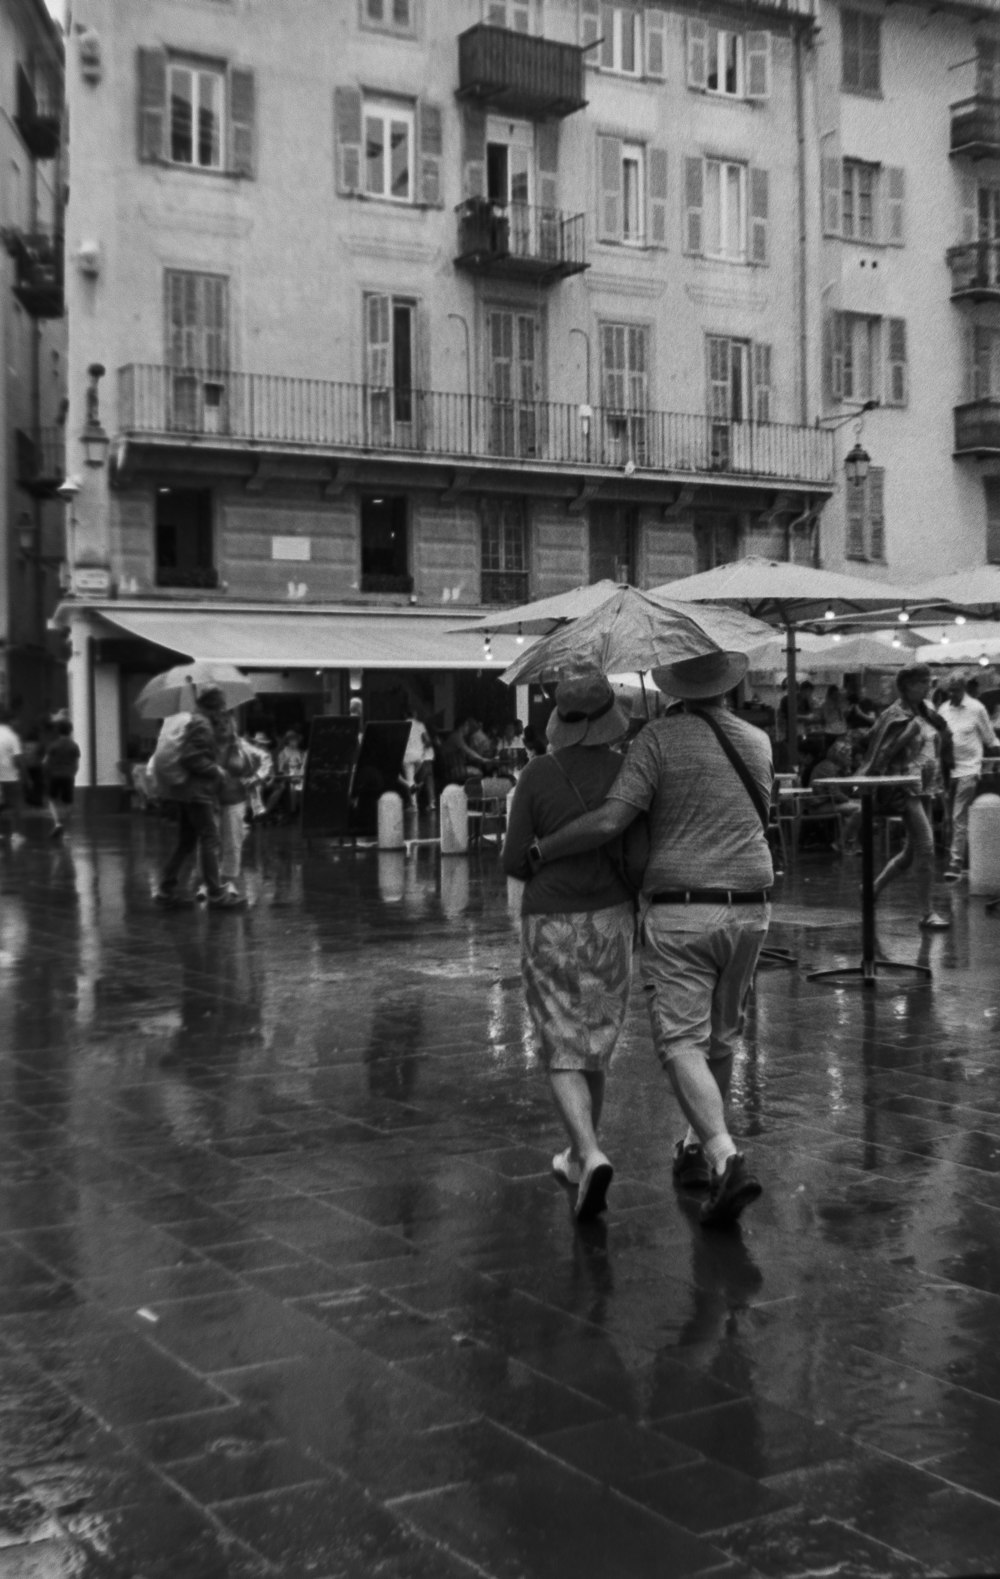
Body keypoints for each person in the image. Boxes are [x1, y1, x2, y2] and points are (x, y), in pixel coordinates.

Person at [527, 650, 772, 1229]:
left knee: (681, 1042)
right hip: (753, 906)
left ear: (673, 686)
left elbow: (613, 820)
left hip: (684, 908)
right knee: (723, 1035)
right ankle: (693, 1148)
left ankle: (724, 1157)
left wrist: (546, 848)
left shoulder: (657, 740)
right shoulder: (757, 740)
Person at [503, 674, 635, 1221]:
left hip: (550, 919)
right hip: (610, 919)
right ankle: (583, 1157)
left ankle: (587, 1152)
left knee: (560, 1040)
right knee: (595, 1038)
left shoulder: (536, 774)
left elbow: (514, 860)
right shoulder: (630, 771)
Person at [861, 663, 952, 930]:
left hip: (927, 786)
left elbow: (939, 740)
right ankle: (927, 912)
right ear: (907, 686)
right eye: (921, 682)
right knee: (926, 846)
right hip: (906, 786)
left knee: (911, 853)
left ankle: (871, 889)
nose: (926, 687)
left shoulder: (926, 712)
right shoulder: (894, 714)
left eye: (928, 682)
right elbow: (880, 751)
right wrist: (907, 735)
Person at [153, 684, 244, 909]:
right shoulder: (202, 724)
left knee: (186, 842)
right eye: (222, 706)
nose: (224, 711)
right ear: (216, 707)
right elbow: (191, 757)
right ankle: (216, 893)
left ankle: (166, 889)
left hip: (186, 791)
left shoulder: (196, 720)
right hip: (198, 793)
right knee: (210, 838)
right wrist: (216, 770)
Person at [937, 671, 999, 881]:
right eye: (949, 690)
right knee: (949, 818)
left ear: (963, 688)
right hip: (947, 770)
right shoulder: (944, 708)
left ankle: (955, 862)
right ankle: (957, 856)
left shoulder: (976, 708)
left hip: (969, 770)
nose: (952, 694)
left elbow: (990, 740)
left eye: (955, 690)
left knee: (958, 816)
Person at [43, 716, 81, 839]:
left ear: (58, 731)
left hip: (54, 775)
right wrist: (72, 773)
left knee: (51, 799)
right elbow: (76, 763)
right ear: (70, 731)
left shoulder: (53, 745)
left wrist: (47, 772)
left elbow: (45, 762)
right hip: (68, 776)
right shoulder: (74, 746)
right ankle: (66, 828)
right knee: (68, 803)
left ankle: (57, 823)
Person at [400, 707, 436, 811]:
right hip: (419, 756)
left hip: (406, 756)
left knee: (410, 780)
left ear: (405, 715)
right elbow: (428, 741)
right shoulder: (420, 725)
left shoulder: (403, 725)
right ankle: (429, 801)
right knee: (419, 778)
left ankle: (413, 805)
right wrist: (423, 748)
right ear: (415, 715)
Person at [0, 706, 25, 846]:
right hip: (10, 777)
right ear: (10, 721)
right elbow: (17, 759)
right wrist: (25, 775)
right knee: (16, 805)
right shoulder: (12, 736)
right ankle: (16, 834)